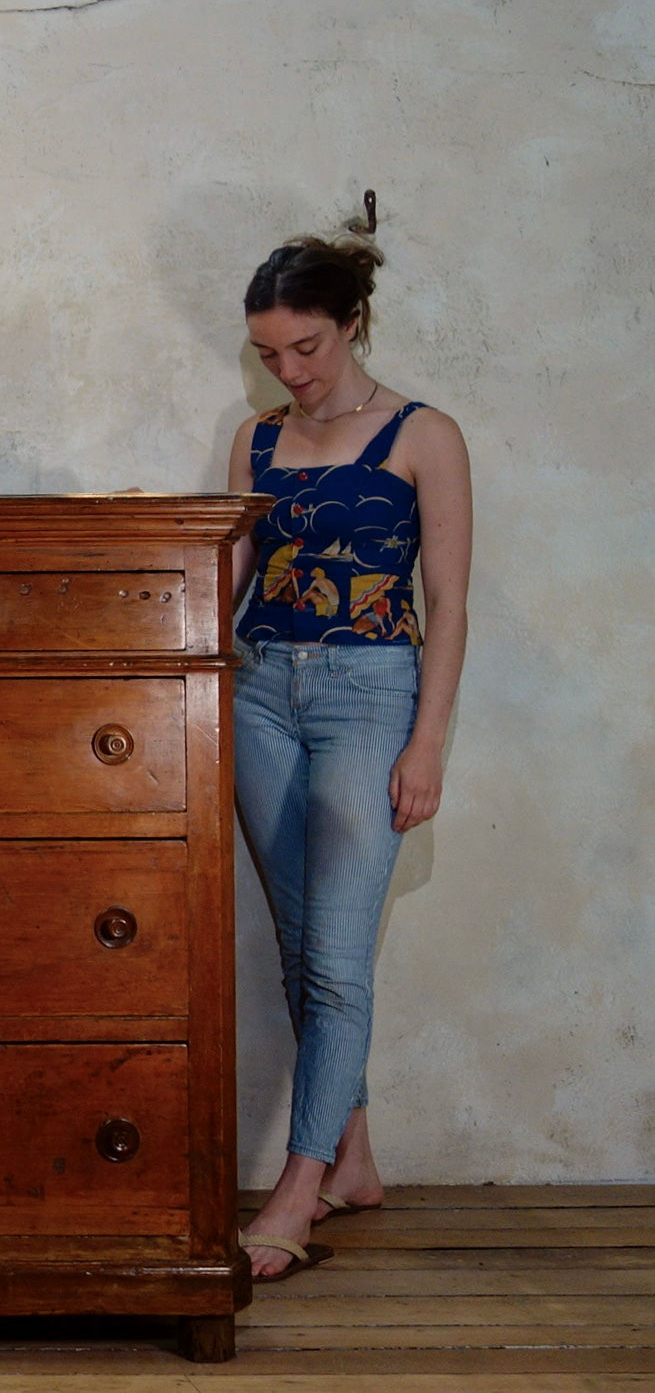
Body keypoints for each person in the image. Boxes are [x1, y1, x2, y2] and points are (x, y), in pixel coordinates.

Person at [225, 218, 472, 1282]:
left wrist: (428, 746)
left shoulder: (426, 436)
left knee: (335, 956)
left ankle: (297, 1187)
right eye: (270, 352)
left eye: (307, 347)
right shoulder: (255, 442)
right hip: (260, 690)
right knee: (298, 947)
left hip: (374, 696)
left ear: (353, 323)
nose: (290, 371)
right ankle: (355, 1160)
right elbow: (223, 581)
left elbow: (450, 606)